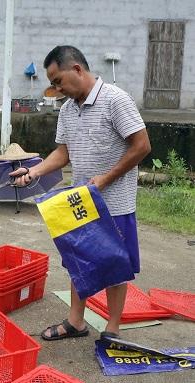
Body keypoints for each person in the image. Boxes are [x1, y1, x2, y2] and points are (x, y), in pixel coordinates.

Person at [10, 45, 151, 340]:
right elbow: (63, 153)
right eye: (53, 84)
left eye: (58, 80)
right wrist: (33, 171)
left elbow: (142, 146)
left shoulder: (115, 100)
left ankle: (112, 329)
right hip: (82, 202)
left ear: (76, 69)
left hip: (115, 203)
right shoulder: (67, 110)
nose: (56, 88)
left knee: (116, 264)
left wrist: (105, 179)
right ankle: (76, 322)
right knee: (79, 261)